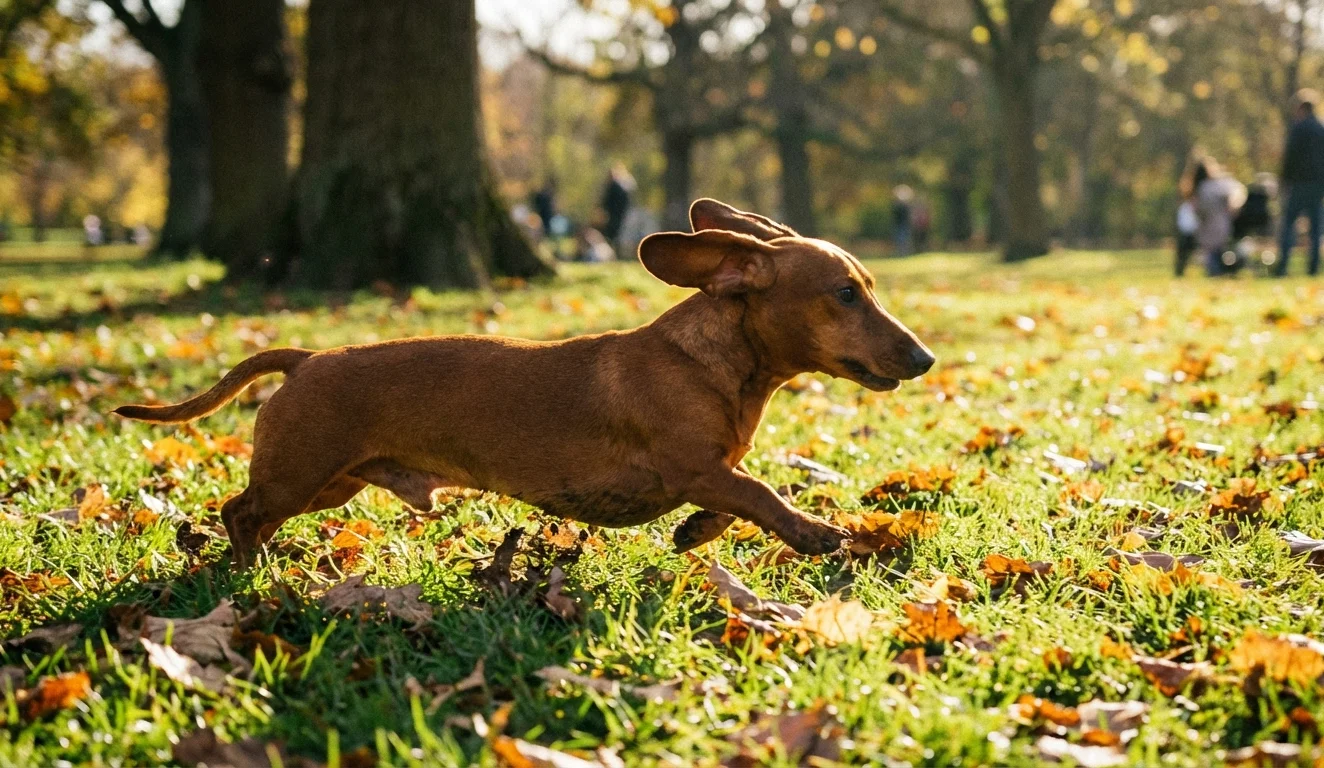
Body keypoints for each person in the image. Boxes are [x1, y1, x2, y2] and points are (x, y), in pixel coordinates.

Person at [1277, 89, 1324, 276]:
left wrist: (1284, 180)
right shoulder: (1321, 129)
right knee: (1316, 228)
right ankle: (1313, 267)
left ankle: (1283, 267)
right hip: (1318, 185)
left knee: (1289, 224)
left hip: (1298, 184)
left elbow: (1290, 157)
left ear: (1301, 108)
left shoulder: (1298, 128)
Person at [1188, 157, 1246, 276]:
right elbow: (1238, 191)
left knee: (1213, 252)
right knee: (1216, 251)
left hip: (1211, 227)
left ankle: (1216, 270)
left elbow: (1196, 211)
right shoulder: (1215, 185)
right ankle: (1218, 270)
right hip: (1217, 226)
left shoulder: (1202, 188)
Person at [600, 163, 634, 249]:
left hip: (614, 215)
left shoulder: (614, 186)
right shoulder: (623, 187)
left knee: (612, 234)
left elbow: (606, 202)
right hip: (621, 214)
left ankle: (612, 250)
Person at [1175, 191, 1199, 277]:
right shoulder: (1184, 207)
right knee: (1182, 255)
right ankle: (1179, 272)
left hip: (1197, 234)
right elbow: (1182, 222)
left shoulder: (1199, 207)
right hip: (1186, 234)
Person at [891, 185, 913, 256]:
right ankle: (902, 251)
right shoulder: (901, 206)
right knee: (902, 239)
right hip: (901, 225)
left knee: (903, 239)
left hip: (902, 225)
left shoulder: (900, 206)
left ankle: (903, 251)